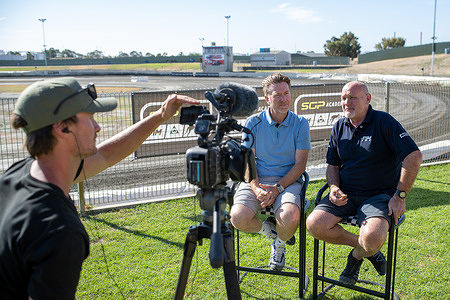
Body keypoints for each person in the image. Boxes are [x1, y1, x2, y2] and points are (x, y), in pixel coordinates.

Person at [0, 77, 200, 300]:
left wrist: (160, 116)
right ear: (62, 127)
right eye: (91, 118)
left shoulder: (19, 173)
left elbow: (106, 154)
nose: (98, 127)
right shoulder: (59, 231)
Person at [306, 81, 422, 285]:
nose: (346, 102)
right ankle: (371, 252)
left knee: (372, 237)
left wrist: (400, 195)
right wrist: (333, 187)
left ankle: (356, 257)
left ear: (367, 99)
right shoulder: (339, 126)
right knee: (314, 225)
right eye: (343, 98)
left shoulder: (384, 121)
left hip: (379, 197)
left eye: (352, 97)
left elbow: (413, 156)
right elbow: (333, 165)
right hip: (346, 194)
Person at [230, 73, 311, 271]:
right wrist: (257, 188)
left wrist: (278, 188)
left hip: (288, 182)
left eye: (286, 93)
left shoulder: (301, 123)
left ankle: (280, 244)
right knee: (237, 217)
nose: (284, 99)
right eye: (277, 95)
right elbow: (248, 163)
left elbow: (300, 165)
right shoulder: (252, 123)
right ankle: (272, 233)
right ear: (267, 98)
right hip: (256, 180)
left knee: (291, 216)